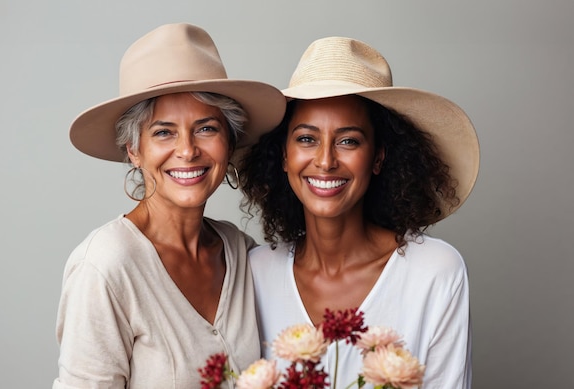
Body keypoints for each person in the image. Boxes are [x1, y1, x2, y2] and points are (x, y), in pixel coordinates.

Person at [53, 23, 285, 389]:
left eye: (207, 128)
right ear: (133, 150)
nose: (188, 150)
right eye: (164, 132)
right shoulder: (104, 267)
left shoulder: (240, 252)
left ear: (229, 141)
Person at [239, 36, 479, 388]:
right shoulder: (255, 272)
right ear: (284, 157)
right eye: (307, 138)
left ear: (379, 157)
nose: (325, 161)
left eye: (348, 140)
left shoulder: (434, 273)